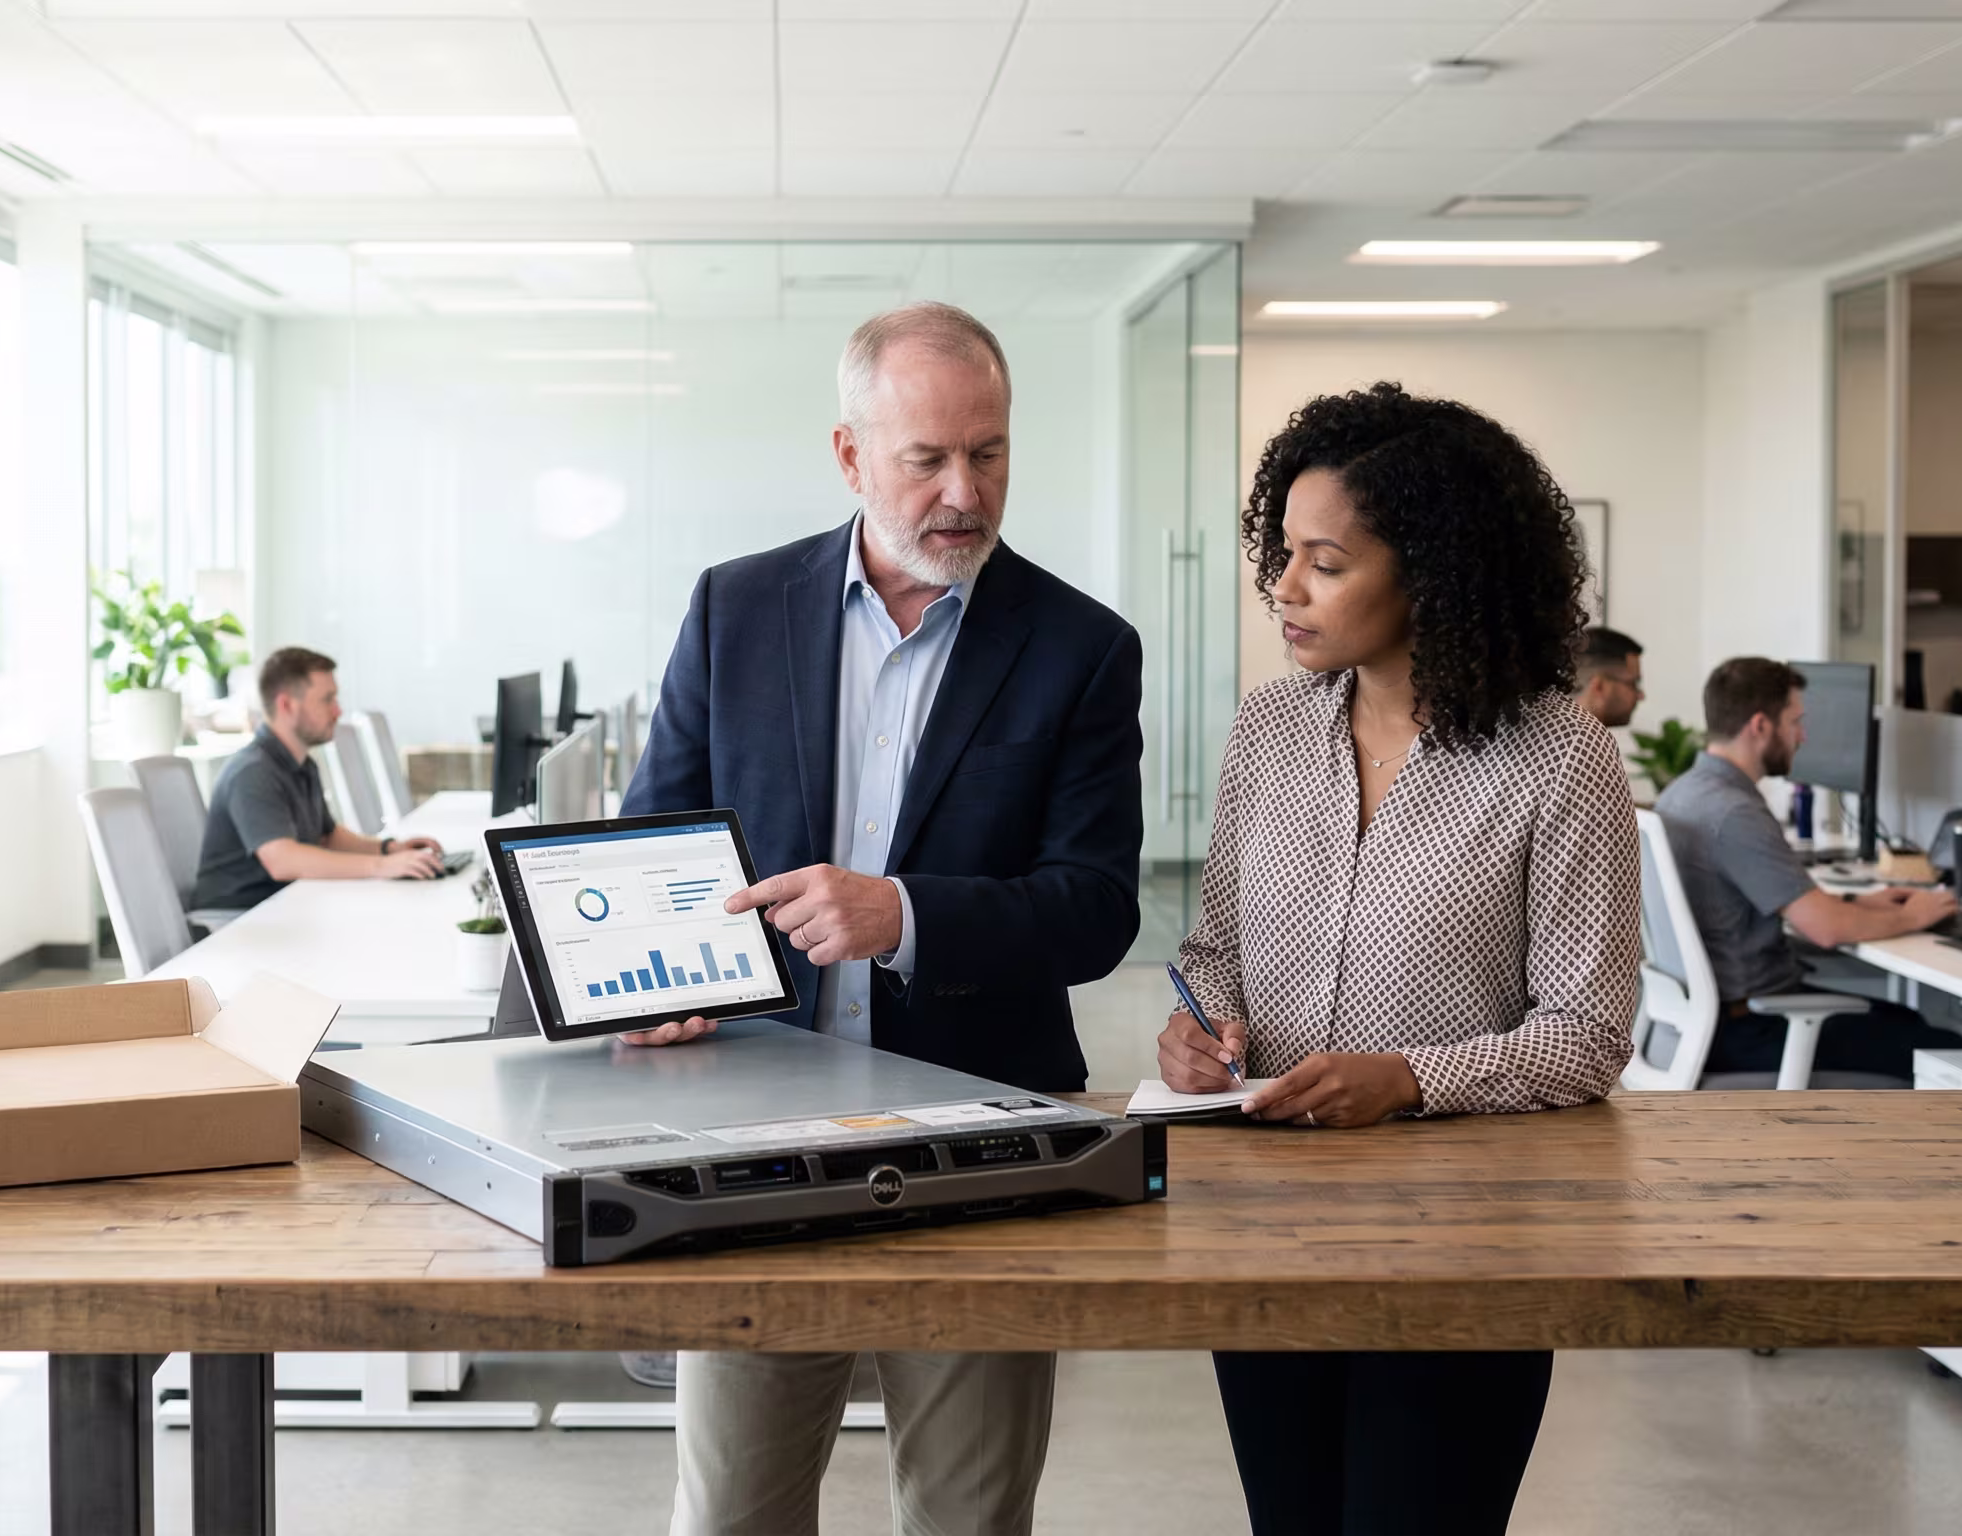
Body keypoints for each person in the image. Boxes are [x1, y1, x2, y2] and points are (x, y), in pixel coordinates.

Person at [623, 300, 1144, 1536]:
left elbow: (1095, 912)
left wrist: (899, 913)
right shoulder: (733, 608)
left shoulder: (1080, 648)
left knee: (966, 1515)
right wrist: (654, 987)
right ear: (852, 456)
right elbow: (658, 844)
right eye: (926, 458)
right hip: (746, 1137)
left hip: (983, 1134)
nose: (963, 490)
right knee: (732, 1512)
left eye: (990, 451)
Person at [1159, 381, 1642, 1536]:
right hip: (1265, 1223)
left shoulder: (1557, 757)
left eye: (1324, 563)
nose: (1282, 588)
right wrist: (1197, 1023)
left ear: (1432, 570)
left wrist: (1411, 1079)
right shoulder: (1269, 729)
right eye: (1282, 553)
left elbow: (1587, 1034)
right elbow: (1214, 944)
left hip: (1465, 1236)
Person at [1655, 657, 1962, 1079]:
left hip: (1705, 1023)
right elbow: (1826, 929)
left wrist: (1860, 901)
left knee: (1907, 1022)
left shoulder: (1683, 793)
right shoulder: (1735, 813)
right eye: (1795, 722)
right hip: (1753, 1029)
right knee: (1952, 1053)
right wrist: (1914, 915)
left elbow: (1785, 902)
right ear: (1760, 725)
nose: (1802, 736)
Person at [191, 646, 444, 911]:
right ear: (286, 705)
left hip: (284, 906)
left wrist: (389, 849)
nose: (337, 712)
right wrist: (380, 867)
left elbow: (328, 836)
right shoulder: (252, 772)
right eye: (327, 700)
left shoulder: (302, 764)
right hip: (238, 922)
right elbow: (282, 861)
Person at [1575, 624, 1645, 728]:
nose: (1641, 696)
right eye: (1633, 684)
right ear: (1599, 687)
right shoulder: (1581, 742)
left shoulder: (1556, 736)